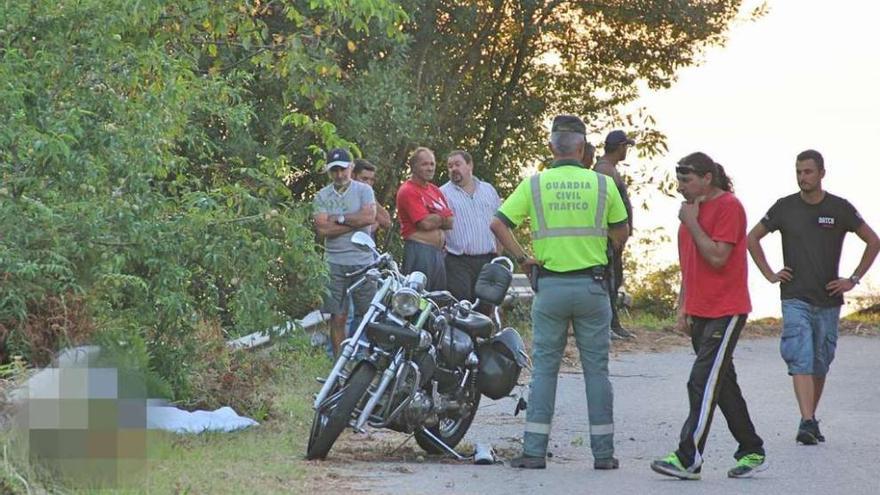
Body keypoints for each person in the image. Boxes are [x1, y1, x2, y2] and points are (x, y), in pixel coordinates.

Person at [490, 115, 629, 471]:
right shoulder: (602, 185)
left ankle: (534, 452)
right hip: (592, 287)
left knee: (544, 372)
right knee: (596, 370)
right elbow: (620, 231)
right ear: (582, 149)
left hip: (549, 288)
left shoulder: (535, 185)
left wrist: (523, 258)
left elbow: (498, 223)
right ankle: (603, 454)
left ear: (551, 147)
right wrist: (605, 252)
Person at [747, 149, 879, 445]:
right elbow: (751, 237)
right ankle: (807, 420)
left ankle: (810, 418)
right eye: (798, 172)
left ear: (821, 173)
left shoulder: (840, 208)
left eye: (807, 171)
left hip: (829, 299)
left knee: (821, 361)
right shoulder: (784, 207)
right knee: (801, 355)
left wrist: (853, 279)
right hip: (795, 296)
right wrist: (770, 274)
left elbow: (874, 241)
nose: (802, 177)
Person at [650, 152, 766, 480]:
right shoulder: (690, 212)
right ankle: (752, 449)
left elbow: (717, 256)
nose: (681, 187)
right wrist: (682, 306)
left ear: (707, 178)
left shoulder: (730, 207)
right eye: (680, 180)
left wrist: (692, 222)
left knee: (701, 381)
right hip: (700, 311)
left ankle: (688, 458)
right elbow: (689, 263)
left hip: (726, 310)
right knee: (722, 384)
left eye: (687, 180)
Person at [312, 148, 377, 356]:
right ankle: (339, 365)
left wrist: (338, 218)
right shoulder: (322, 196)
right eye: (334, 171)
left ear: (351, 167)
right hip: (334, 262)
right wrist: (354, 222)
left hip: (363, 260)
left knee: (366, 315)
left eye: (343, 169)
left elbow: (368, 217)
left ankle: (364, 361)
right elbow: (323, 229)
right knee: (337, 316)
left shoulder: (364, 190)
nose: (339, 175)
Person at [440, 150, 502, 305]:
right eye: (450, 166)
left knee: (486, 307)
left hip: (488, 260)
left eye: (457, 164)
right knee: (461, 308)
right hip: (458, 262)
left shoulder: (488, 190)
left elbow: (500, 223)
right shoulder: (442, 193)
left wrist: (499, 254)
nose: (453, 169)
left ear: (470, 165)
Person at [594, 130, 636, 340]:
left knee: (614, 278)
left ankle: (613, 322)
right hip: (608, 239)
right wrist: (612, 233)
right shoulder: (604, 170)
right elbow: (602, 205)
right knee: (609, 279)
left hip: (614, 237)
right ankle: (610, 324)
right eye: (626, 146)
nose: (626, 151)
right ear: (620, 147)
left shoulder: (609, 169)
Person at [396, 147, 453, 290]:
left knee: (437, 301)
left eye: (432, 164)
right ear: (413, 167)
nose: (429, 168)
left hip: (438, 253)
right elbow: (425, 223)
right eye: (424, 164)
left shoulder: (435, 190)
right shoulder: (408, 190)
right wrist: (441, 217)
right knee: (419, 299)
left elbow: (451, 221)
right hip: (419, 251)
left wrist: (435, 216)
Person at [352, 158, 393, 236]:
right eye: (364, 179)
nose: (368, 183)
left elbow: (386, 221)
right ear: (353, 176)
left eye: (371, 180)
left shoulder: (369, 195)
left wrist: (376, 222)